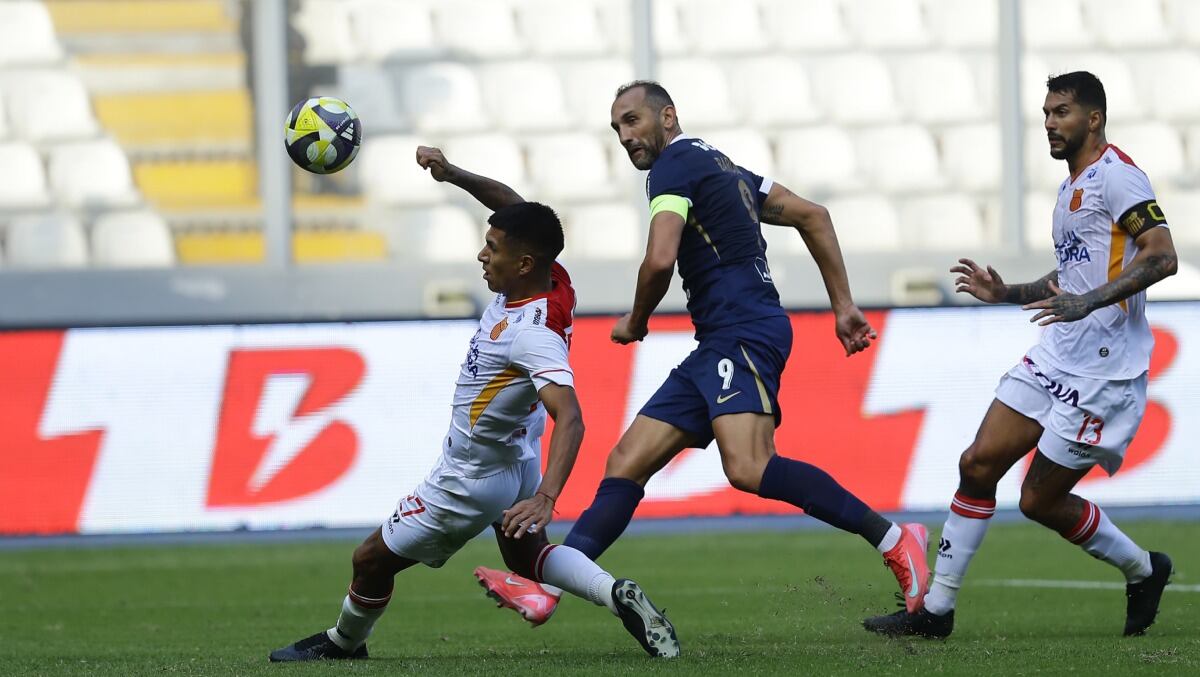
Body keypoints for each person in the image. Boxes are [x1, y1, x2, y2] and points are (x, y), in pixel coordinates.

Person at [476, 80, 932, 626]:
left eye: (632, 121)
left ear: (668, 117)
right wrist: (844, 307)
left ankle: (894, 537)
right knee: (627, 462)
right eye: (617, 128)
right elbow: (814, 215)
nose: (625, 136)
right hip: (720, 340)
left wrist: (637, 319)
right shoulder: (728, 171)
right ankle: (546, 588)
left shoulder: (671, 170)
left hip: (742, 332)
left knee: (748, 466)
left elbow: (660, 258)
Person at [268, 148, 680, 661]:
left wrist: (548, 498)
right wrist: (454, 174)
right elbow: (513, 206)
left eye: (492, 248)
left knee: (370, 559)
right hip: (515, 461)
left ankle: (344, 644)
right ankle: (615, 595)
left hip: (470, 476)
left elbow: (570, 417)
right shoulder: (555, 281)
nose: (482, 256)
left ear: (524, 262)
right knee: (532, 557)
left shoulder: (532, 334)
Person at [864, 71, 1177, 640]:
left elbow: (1162, 257)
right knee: (977, 464)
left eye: (1061, 113)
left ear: (1094, 118)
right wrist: (1006, 293)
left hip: (1105, 372)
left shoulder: (1121, 178)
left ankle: (1143, 568)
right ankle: (935, 611)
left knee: (1038, 499)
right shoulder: (1070, 186)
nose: (1051, 124)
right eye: (1047, 114)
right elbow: (1076, 274)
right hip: (1055, 354)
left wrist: (1090, 302)